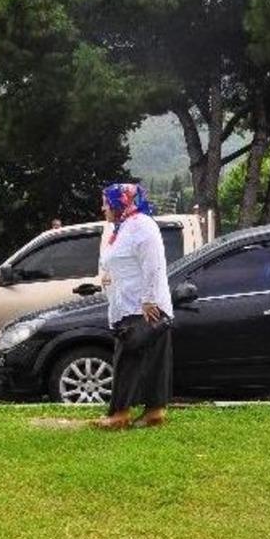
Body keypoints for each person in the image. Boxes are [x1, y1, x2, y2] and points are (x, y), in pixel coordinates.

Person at [95, 183, 172, 429]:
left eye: (107, 203)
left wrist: (149, 299)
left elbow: (154, 265)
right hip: (127, 304)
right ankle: (152, 412)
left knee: (130, 359)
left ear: (120, 203)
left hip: (144, 307)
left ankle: (122, 414)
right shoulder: (121, 228)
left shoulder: (142, 225)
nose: (103, 208)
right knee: (140, 360)